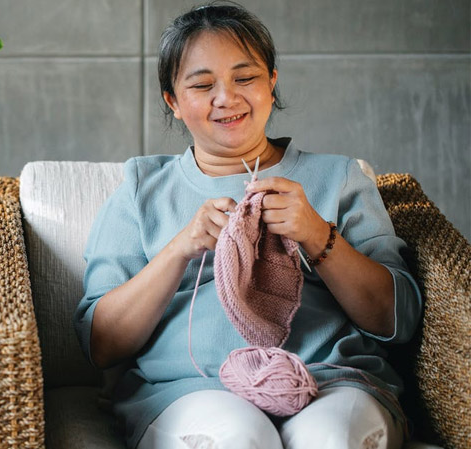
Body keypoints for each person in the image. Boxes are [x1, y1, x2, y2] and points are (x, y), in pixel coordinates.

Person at [73, 2, 422, 449]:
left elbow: (399, 320)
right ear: (173, 102)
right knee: (236, 437)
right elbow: (101, 345)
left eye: (246, 78)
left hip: (331, 381)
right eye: (202, 85)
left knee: (332, 438)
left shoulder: (339, 177)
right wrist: (180, 248)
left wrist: (319, 235)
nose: (227, 98)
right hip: (191, 388)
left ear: (272, 83)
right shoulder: (142, 189)